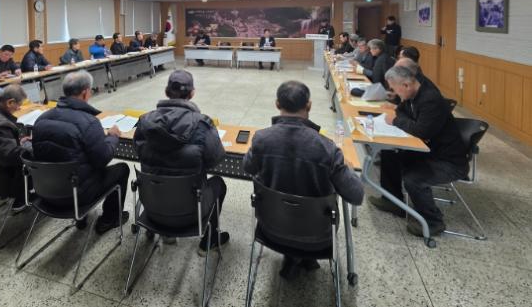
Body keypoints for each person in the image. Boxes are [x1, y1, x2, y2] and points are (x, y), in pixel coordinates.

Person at [243, 81, 363, 279]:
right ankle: (301, 258)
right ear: (309, 105)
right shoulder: (328, 149)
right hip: (318, 237)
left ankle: (294, 258)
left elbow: (247, 167)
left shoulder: (261, 139)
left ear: (277, 104)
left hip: (271, 229)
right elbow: (356, 196)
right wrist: (346, 168)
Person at [135, 70, 229, 254]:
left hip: (152, 209)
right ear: (192, 93)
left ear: (166, 91)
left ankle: (161, 232)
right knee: (218, 183)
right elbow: (215, 160)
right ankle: (209, 240)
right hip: (191, 213)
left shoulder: (144, 121)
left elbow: (139, 152)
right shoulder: (202, 124)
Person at [370, 66, 469, 237]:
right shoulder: (412, 94)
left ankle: (433, 222)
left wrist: (397, 121)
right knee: (389, 153)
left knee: (414, 179)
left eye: (395, 89)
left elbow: (421, 131)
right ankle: (392, 201)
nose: (394, 94)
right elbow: (401, 112)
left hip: (449, 161)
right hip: (429, 151)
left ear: (406, 85)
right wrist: (403, 119)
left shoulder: (430, 99)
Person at [32, 71, 129, 234]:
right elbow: (103, 159)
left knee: (73, 162)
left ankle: (82, 217)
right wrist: (112, 137)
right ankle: (109, 219)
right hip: (77, 196)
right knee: (122, 169)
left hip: (46, 192)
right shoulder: (89, 122)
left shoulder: (41, 119)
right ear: (85, 93)